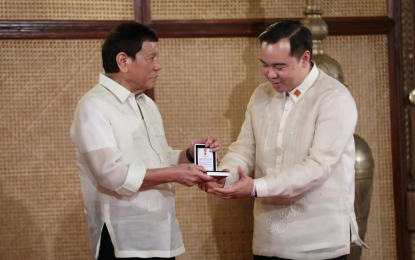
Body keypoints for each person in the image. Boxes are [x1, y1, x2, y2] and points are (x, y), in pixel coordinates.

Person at [202, 20, 368, 260]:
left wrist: (256, 188)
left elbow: (318, 167)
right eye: (265, 65)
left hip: (318, 241)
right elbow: (244, 150)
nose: (270, 74)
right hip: (266, 240)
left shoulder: (334, 98)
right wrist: (222, 177)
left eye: (279, 66)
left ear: (304, 58)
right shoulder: (261, 95)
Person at [70, 22, 221, 260]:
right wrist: (176, 173)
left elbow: (159, 157)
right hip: (123, 236)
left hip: (160, 229)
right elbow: (110, 174)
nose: (158, 66)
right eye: (151, 58)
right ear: (123, 61)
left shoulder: (145, 103)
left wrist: (190, 155)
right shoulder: (94, 106)